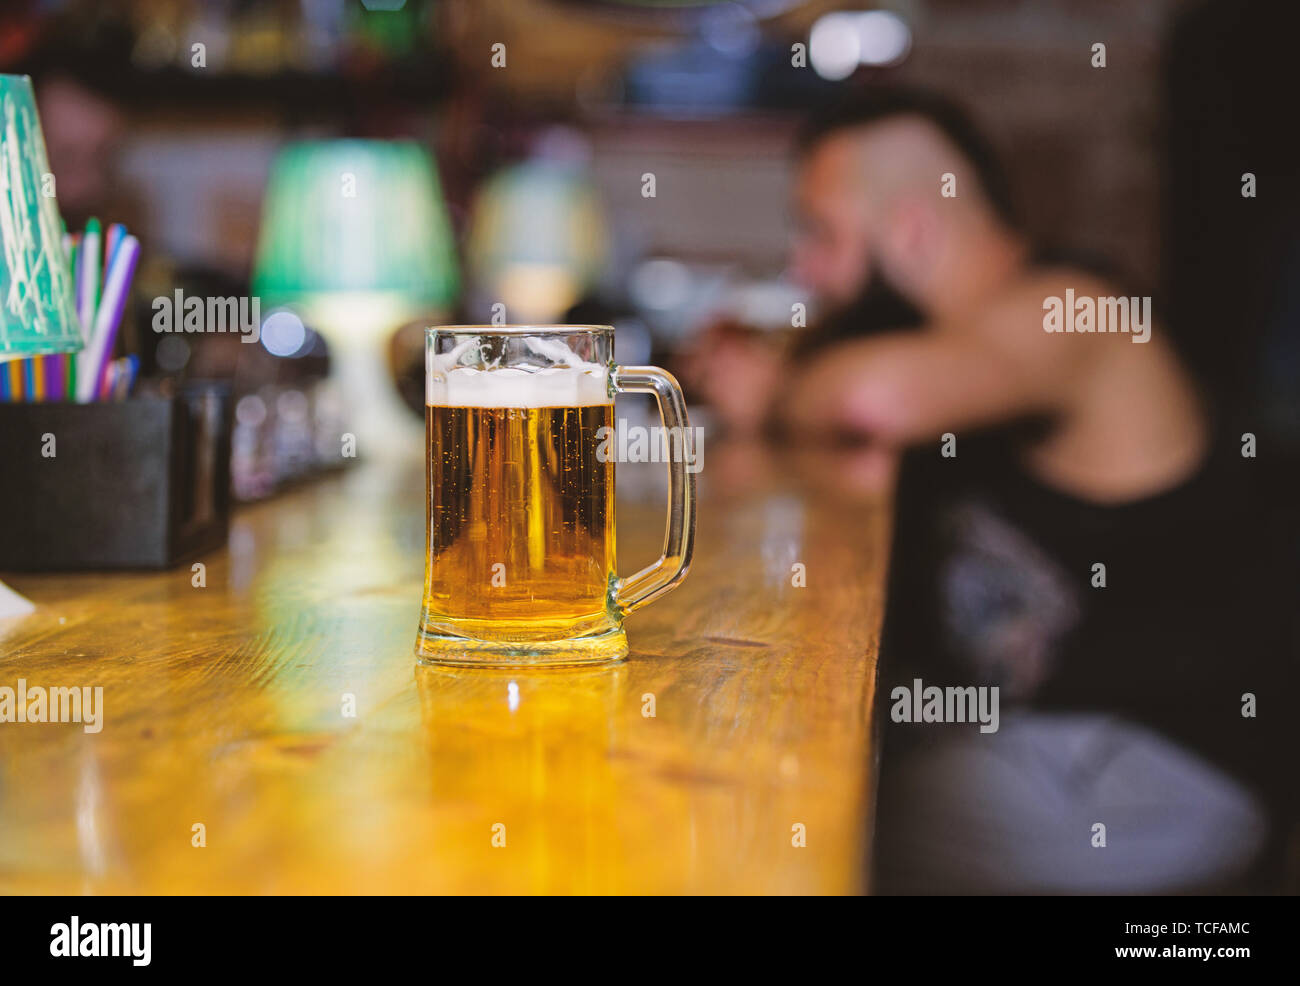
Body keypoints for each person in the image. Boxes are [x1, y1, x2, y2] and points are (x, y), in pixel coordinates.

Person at [699, 87, 1293, 893]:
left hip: (1154, 765)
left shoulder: (1076, 311)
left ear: (911, 228)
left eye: (822, 233)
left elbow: (873, 401)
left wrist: (774, 393)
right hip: (1033, 739)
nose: (804, 264)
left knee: (800, 821)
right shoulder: (959, 347)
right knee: (792, 760)